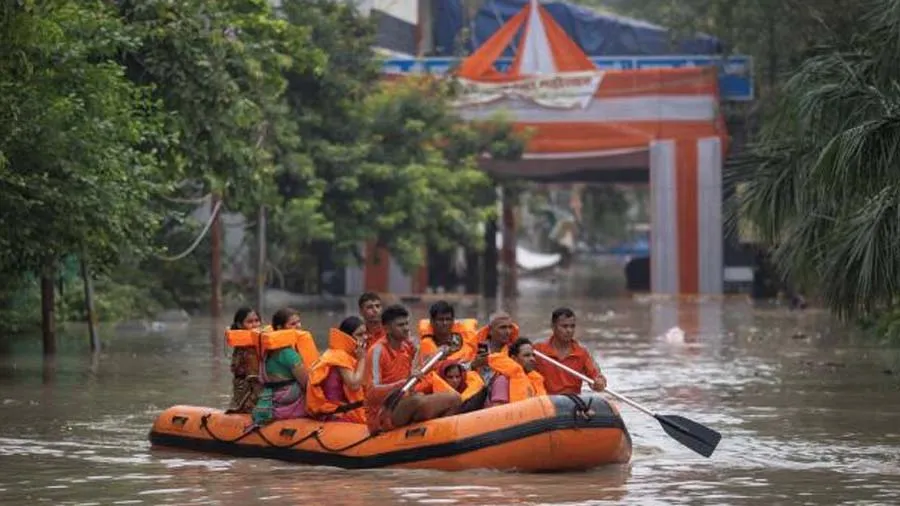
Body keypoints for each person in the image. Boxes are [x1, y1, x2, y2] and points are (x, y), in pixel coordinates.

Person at [364, 304, 461, 434]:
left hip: (405, 402)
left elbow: (423, 369)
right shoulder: (377, 351)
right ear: (386, 329)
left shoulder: (407, 347)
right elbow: (371, 393)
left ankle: (438, 437)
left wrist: (438, 355)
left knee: (455, 398)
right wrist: (403, 383)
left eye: (406, 324)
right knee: (417, 400)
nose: (406, 329)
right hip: (383, 412)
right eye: (400, 325)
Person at [252, 308, 320, 425]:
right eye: (293, 324)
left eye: (299, 322)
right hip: (286, 399)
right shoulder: (288, 353)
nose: (299, 326)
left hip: (271, 396)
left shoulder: (267, 350)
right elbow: (306, 384)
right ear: (279, 328)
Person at [306, 316, 368, 424]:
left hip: (344, 410)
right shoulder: (339, 355)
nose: (365, 337)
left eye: (365, 333)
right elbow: (354, 385)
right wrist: (362, 358)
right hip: (336, 414)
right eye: (360, 334)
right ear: (347, 336)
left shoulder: (343, 353)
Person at [533, 307, 607, 395]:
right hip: (545, 400)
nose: (569, 330)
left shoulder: (582, 353)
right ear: (553, 327)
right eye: (564, 326)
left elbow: (596, 377)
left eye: (572, 326)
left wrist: (599, 382)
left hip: (572, 400)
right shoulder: (537, 350)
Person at [485, 337, 547, 407]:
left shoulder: (533, 381)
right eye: (527, 355)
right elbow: (498, 411)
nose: (532, 359)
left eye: (533, 355)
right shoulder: (503, 381)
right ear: (514, 358)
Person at [417, 300, 478, 365]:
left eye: (448, 319)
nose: (445, 323)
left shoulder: (466, 341)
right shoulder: (425, 346)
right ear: (432, 321)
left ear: (453, 321)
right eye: (440, 319)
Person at [225, 307, 262, 413]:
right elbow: (254, 378)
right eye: (250, 322)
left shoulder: (256, 344)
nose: (255, 325)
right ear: (240, 325)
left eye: (257, 321)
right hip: (247, 394)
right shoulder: (245, 348)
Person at [415, 359, 486, 412]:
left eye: (457, 377)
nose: (455, 380)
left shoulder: (469, 386)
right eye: (450, 377)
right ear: (443, 377)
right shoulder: (431, 388)